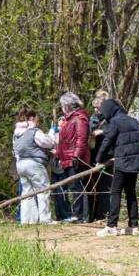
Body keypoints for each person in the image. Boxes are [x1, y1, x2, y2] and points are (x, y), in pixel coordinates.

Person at [95, 99, 139, 236]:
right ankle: (133, 226)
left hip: (123, 161)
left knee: (115, 192)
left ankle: (111, 226)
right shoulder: (133, 120)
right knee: (131, 193)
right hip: (135, 161)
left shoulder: (115, 122)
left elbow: (108, 141)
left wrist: (99, 160)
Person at [13, 108, 55, 224]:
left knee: (27, 193)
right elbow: (48, 143)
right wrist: (51, 132)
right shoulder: (34, 131)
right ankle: (45, 219)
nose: (38, 121)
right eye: (37, 119)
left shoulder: (17, 133)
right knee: (43, 190)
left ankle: (28, 221)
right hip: (34, 164)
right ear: (32, 118)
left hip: (21, 165)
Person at [54, 92, 91, 223]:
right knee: (72, 187)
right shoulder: (66, 120)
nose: (62, 107)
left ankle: (81, 216)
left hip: (76, 159)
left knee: (78, 187)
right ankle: (77, 214)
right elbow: (62, 140)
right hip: (66, 159)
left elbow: (81, 139)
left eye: (63, 105)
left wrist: (76, 156)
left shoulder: (80, 118)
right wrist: (58, 156)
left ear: (68, 105)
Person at [88, 91, 112, 222]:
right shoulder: (93, 119)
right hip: (94, 155)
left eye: (98, 108)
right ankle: (94, 214)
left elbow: (114, 132)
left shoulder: (110, 119)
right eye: (94, 108)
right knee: (93, 185)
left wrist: (102, 131)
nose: (96, 110)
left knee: (104, 186)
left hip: (106, 156)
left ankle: (104, 214)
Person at [48, 112, 73, 221]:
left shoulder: (68, 136)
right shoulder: (53, 134)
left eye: (62, 125)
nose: (60, 127)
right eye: (58, 125)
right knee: (56, 193)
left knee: (63, 192)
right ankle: (59, 215)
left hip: (63, 167)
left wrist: (58, 152)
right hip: (54, 167)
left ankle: (67, 214)